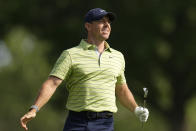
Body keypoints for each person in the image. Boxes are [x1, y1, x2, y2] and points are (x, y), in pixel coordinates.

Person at [20, 8, 149, 131]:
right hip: (77, 122)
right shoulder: (71, 54)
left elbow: (121, 89)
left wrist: (136, 109)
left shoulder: (118, 56)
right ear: (88, 26)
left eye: (108, 22)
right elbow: (52, 84)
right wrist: (34, 109)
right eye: (101, 21)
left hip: (104, 123)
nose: (107, 25)